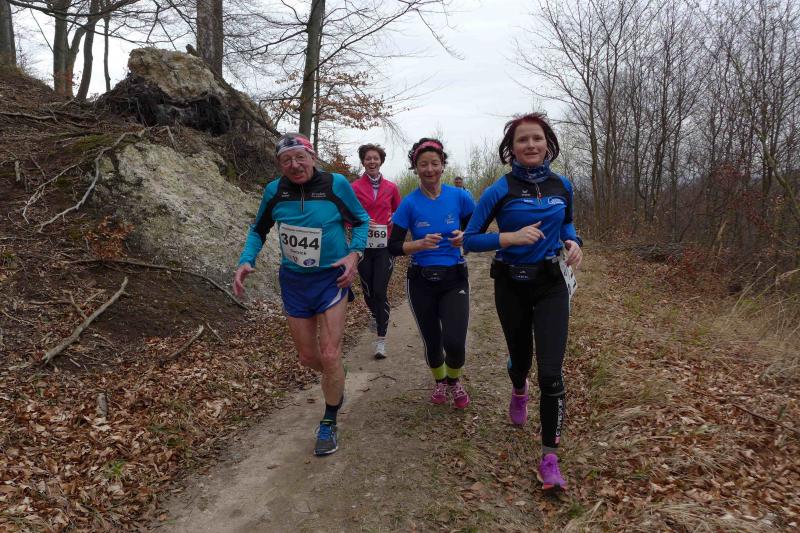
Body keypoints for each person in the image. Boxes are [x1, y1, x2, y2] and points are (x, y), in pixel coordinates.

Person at [463, 113, 583, 492]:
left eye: (537, 138)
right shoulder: (499, 190)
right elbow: (469, 239)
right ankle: (518, 389)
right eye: (522, 140)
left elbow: (567, 224)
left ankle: (550, 459)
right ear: (511, 149)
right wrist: (508, 238)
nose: (530, 145)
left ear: (548, 144)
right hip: (511, 285)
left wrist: (574, 242)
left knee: (550, 373)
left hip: (551, 285)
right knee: (521, 361)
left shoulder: (562, 185)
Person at [232, 133, 369, 457]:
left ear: (312, 157)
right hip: (294, 282)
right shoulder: (274, 191)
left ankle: (329, 422)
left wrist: (354, 255)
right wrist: (246, 259)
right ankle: (337, 377)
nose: (294, 165)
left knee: (330, 354)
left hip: (331, 279)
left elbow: (361, 221)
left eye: (300, 157)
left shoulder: (335, 185)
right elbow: (258, 229)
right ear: (280, 165)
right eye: (286, 160)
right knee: (309, 358)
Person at [388, 138, 475, 408]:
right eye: (423, 164)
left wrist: (465, 236)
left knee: (455, 341)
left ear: (443, 165)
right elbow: (393, 247)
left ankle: (454, 381)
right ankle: (440, 382)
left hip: (454, 278)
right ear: (415, 168)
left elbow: (477, 230)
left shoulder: (460, 196)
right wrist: (418, 244)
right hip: (421, 280)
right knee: (433, 341)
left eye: (434, 163)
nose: (429, 169)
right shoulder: (409, 204)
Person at [351, 143, 401, 359]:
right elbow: (346, 215)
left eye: (375, 158)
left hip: (384, 247)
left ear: (381, 161)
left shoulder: (391, 187)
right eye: (368, 158)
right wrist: (361, 222)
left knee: (380, 290)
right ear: (363, 161)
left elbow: (400, 212)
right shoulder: (354, 188)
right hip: (362, 246)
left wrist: (393, 219)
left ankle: (381, 340)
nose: (372, 161)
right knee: (369, 292)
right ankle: (375, 314)